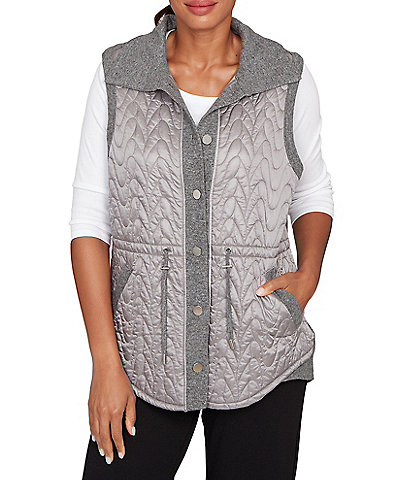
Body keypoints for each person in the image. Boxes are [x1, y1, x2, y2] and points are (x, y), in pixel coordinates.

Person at [70, 2, 334, 479]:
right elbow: (91, 220)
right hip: (141, 358)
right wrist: (105, 362)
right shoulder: (119, 74)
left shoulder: (286, 76)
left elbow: (311, 188)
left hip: (259, 355)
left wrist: (309, 274)